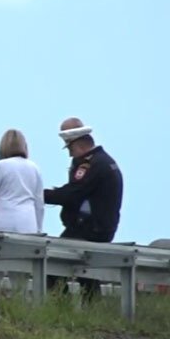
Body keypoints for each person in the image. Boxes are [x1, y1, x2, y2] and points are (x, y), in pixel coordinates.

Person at [43, 117, 123, 300]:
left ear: (78, 144)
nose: (70, 154)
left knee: (54, 266)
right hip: (99, 229)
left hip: (87, 230)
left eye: (69, 147)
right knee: (87, 276)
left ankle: (59, 308)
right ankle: (91, 311)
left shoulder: (92, 165)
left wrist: (41, 195)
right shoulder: (104, 162)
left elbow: (73, 194)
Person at [0, 129, 43, 234]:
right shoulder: (34, 168)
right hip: (28, 222)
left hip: (5, 221)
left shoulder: (2, 165)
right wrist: (39, 228)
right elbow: (39, 203)